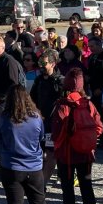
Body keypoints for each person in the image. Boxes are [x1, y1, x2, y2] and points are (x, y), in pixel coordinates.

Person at [0, 85, 56, 204]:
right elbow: (41, 138)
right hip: (34, 167)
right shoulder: (36, 118)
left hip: (11, 166)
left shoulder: (5, 118)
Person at [50, 68, 103, 204]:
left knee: (68, 191)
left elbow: (56, 132)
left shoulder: (63, 104)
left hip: (67, 154)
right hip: (86, 153)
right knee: (87, 188)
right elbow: (99, 127)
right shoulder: (88, 103)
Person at [29, 49, 63, 183]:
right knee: (40, 150)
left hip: (53, 123)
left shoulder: (59, 81)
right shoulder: (38, 80)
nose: (42, 65)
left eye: (45, 63)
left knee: (51, 152)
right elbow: (32, 98)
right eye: (40, 62)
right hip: (39, 122)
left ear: (53, 64)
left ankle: (45, 182)